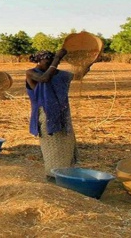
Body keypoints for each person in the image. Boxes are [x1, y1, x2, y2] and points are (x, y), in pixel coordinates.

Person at [26, 49, 86, 179]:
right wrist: (57, 58)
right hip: (46, 116)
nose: (52, 65)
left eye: (54, 63)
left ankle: (66, 175)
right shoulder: (32, 73)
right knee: (52, 148)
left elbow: (78, 75)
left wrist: (90, 63)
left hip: (62, 115)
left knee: (65, 145)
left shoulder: (59, 74)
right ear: (39, 61)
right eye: (48, 62)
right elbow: (44, 78)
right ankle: (53, 175)